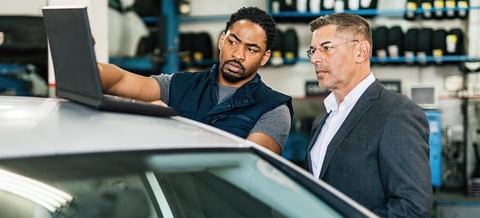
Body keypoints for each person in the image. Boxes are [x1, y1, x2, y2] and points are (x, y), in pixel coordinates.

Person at [98, 7, 294, 154]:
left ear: (265, 57)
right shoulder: (179, 85)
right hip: (175, 204)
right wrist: (87, 66)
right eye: (233, 42)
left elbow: (249, 165)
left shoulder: (273, 108)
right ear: (221, 41)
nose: (238, 54)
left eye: (251, 49)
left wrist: (175, 130)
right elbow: (120, 81)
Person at [304, 13, 432, 217]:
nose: (316, 59)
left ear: (361, 52)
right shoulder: (324, 119)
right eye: (313, 51)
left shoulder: (396, 113)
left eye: (326, 48)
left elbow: (413, 208)